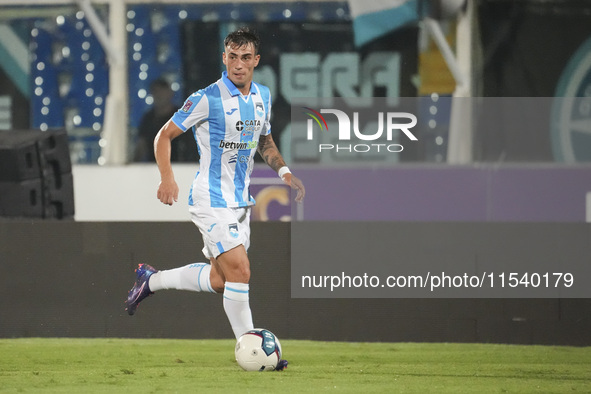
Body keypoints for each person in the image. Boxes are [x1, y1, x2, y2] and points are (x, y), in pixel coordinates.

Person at [125, 27, 305, 370]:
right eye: (232, 57)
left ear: (256, 61)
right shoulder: (207, 98)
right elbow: (164, 135)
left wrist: (284, 173)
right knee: (241, 271)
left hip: (240, 203)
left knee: (222, 280)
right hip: (210, 198)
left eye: (245, 58)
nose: (239, 65)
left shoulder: (263, 96)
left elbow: (264, 141)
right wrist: (167, 178)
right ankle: (254, 352)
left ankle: (150, 280)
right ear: (225, 58)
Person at [134, 77, 196, 162]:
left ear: (170, 93)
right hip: (155, 168)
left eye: (162, 92)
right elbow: (141, 145)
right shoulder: (148, 119)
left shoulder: (181, 117)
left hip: (181, 167)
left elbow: (191, 144)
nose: (159, 95)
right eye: (156, 92)